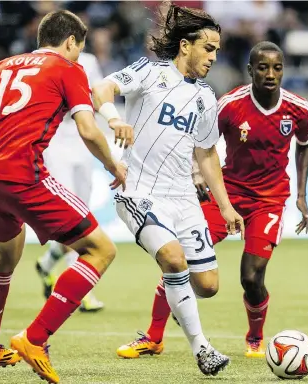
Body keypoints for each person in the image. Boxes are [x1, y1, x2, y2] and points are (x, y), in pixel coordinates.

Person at [0, 10, 130, 384]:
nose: (77, 54)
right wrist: (114, 165)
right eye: (78, 48)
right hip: (25, 175)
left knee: (6, 255)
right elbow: (87, 128)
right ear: (71, 42)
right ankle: (35, 338)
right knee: (101, 249)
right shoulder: (69, 69)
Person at [116, 41, 308, 359]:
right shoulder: (229, 105)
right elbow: (200, 143)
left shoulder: (299, 109)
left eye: (277, 68)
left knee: (251, 277)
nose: (270, 74)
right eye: (262, 67)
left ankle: (254, 336)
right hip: (229, 195)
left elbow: (305, 144)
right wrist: (197, 176)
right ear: (250, 70)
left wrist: (302, 195)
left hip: (270, 201)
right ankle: (153, 337)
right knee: (176, 258)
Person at [93, 3, 244, 376]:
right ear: (185, 46)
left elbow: (207, 154)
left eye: (217, 51)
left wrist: (224, 206)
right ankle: (203, 349)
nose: (213, 56)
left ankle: (181, 304)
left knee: (207, 286)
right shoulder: (151, 72)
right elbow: (102, 88)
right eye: (208, 48)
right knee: (174, 261)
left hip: (184, 200)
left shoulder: (206, 98)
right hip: (140, 192)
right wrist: (114, 119)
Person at [35, 51, 105, 313]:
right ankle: (82, 292)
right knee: (75, 218)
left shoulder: (88, 60)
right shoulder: (43, 61)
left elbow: (97, 95)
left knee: (83, 212)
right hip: (55, 144)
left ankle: (46, 263)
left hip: (83, 142)